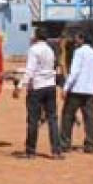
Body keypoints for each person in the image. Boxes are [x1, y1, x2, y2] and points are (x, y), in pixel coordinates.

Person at [14, 30, 63, 159]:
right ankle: (56, 151)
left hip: (37, 87)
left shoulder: (34, 49)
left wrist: (19, 86)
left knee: (33, 120)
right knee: (52, 119)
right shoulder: (50, 50)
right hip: (50, 86)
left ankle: (30, 151)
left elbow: (30, 70)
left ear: (36, 37)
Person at [60, 32, 93, 154]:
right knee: (89, 118)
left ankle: (65, 143)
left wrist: (66, 87)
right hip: (90, 91)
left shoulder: (79, 52)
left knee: (67, 116)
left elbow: (74, 72)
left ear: (82, 39)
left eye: (78, 38)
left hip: (76, 90)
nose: (76, 41)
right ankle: (90, 145)